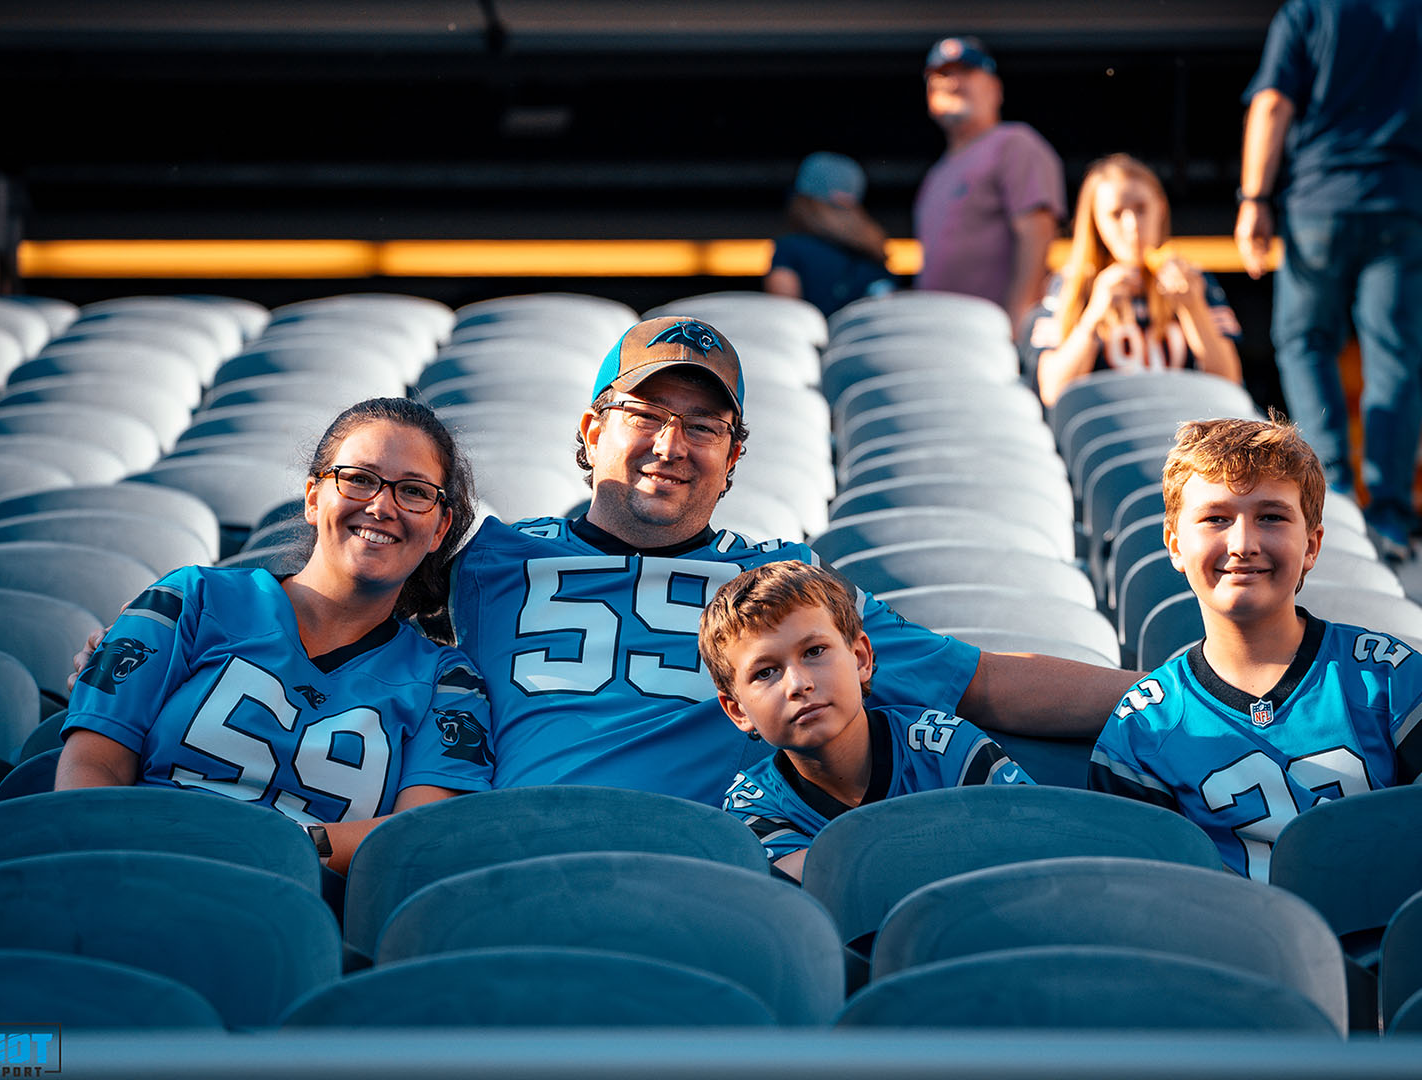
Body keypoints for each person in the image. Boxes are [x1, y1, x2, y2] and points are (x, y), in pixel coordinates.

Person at [447, 314, 1137, 806]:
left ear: (733, 458)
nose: (670, 443)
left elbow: (982, 683)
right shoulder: (486, 558)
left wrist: (1198, 694)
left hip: (703, 876)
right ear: (593, 430)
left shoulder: (780, 586)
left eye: (702, 427)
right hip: (511, 853)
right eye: (645, 415)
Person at [57, 397, 495, 875]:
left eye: (413, 491)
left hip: (292, 913)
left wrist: (266, 849)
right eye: (359, 479)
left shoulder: (448, 683)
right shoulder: (188, 599)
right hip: (130, 866)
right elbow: (93, 764)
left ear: (439, 527)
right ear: (313, 497)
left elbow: (416, 831)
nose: (381, 505)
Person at [1087, 416, 1422, 881]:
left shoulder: (1389, 679)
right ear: (1174, 545)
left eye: (1270, 517)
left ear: (1312, 545)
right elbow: (1136, 904)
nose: (1243, 544)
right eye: (1215, 518)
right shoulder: (1144, 725)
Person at [1235, 0, 1422, 563]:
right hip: (1406, 205)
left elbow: (1272, 103)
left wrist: (1254, 198)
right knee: (1395, 359)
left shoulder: (1307, 13)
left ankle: (1337, 507)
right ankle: (1391, 522)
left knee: (1305, 343)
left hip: (1320, 203)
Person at [698, 561, 1032, 881]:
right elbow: (831, 898)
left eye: (814, 651)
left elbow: (1038, 847)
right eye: (765, 672)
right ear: (738, 711)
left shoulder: (946, 750)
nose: (798, 684)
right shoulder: (752, 807)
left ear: (861, 658)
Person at [1028, 154, 1244, 406]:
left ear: (1161, 209)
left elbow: (1229, 382)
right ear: (1095, 221)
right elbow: (1053, 391)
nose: (1132, 226)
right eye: (1116, 214)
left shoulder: (1194, 279)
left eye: (1141, 209)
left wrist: (1193, 308)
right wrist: (1094, 315)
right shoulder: (1070, 283)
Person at [913, 35, 1066, 330]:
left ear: (996, 89)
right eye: (942, 76)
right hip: (940, 337)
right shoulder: (935, 175)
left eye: (967, 72)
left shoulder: (1014, 144)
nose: (953, 82)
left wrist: (1017, 324)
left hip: (991, 340)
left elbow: (1036, 235)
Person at [765, 152, 896, 318]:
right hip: (867, 342)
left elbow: (785, 317)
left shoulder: (790, 249)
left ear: (803, 201)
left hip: (814, 342)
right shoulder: (877, 252)